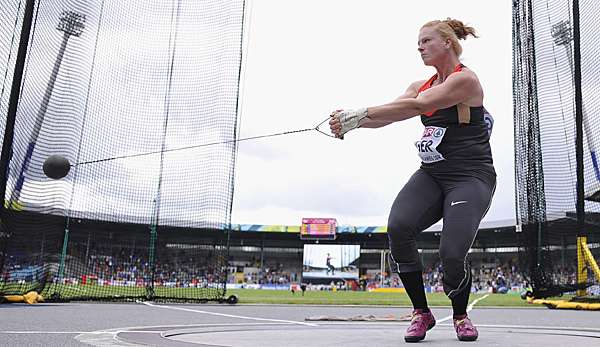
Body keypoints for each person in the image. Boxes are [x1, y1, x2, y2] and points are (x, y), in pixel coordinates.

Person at [329, 18, 495, 343]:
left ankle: (460, 315)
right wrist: (354, 123)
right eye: (418, 43)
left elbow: (420, 106)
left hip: (470, 177)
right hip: (432, 174)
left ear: (447, 42)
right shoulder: (419, 84)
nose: (420, 47)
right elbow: (394, 112)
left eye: (426, 41)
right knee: (399, 227)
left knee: (451, 254)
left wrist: (362, 111)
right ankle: (422, 312)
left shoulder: (466, 81)